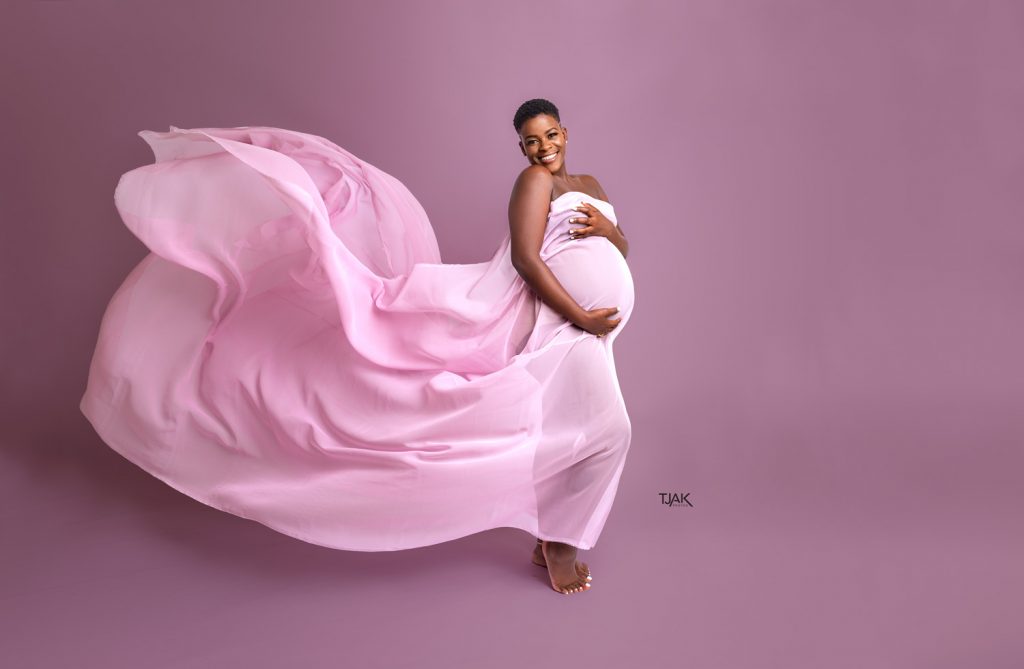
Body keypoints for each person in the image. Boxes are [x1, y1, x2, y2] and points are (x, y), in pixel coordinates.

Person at [80, 98, 634, 596]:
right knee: (600, 429)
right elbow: (526, 260)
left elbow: (623, 245)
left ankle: (549, 535)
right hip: (557, 322)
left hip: (583, 327)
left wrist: (609, 237)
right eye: (532, 140)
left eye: (552, 136)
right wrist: (581, 313)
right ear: (521, 146)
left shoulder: (592, 185)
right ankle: (557, 543)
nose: (544, 148)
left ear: (567, 132)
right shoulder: (533, 182)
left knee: (569, 426)